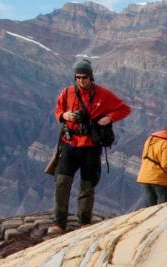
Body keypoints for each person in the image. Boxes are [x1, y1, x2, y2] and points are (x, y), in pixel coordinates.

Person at [49, 59, 132, 234]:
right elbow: (57, 111)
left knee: (87, 185)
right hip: (70, 144)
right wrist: (64, 116)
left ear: (91, 77)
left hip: (91, 146)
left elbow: (124, 109)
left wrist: (109, 118)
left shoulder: (103, 94)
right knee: (62, 182)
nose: (81, 81)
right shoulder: (67, 93)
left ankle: (84, 221)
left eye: (84, 77)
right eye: (78, 77)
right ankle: (59, 223)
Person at [137, 121, 167, 206]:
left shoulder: (150, 139)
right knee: (163, 208)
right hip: (160, 179)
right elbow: (166, 164)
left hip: (145, 177)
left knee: (149, 209)